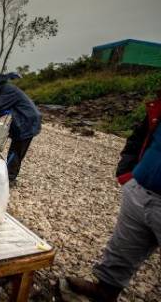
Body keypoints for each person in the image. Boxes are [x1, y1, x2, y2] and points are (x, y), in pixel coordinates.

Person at [67, 90, 161, 302]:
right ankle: (105, 290)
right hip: (139, 190)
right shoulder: (158, 106)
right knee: (122, 249)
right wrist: (127, 173)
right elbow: (139, 136)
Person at [0, 73, 41, 182]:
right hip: (26, 119)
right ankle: (9, 174)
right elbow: (1, 109)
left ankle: (9, 178)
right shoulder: (6, 89)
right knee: (16, 149)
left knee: (16, 151)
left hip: (27, 121)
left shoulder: (8, 91)